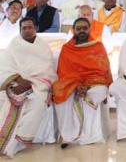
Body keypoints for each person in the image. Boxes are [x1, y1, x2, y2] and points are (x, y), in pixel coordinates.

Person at [0, 17, 57, 157]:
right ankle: (5, 139)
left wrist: (30, 83)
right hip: (15, 83)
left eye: (29, 27)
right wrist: (18, 80)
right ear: (20, 30)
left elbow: (47, 70)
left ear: (35, 28)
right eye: (23, 28)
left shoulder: (43, 46)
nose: (27, 30)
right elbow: (5, 65)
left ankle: (19, 141)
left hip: (38, 85)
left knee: (38, 104)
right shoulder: (15, 43)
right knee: (6, 100)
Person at [53, 18, 113, 147]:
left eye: (84, 28)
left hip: (96, 82)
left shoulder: (97, 46)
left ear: (89, 29)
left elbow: (104, 70)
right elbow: (64, 72)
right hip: (73, 83)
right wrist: (77, 85)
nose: (81, 31)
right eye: (78, 28)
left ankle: (88, 136)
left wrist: (89, 85)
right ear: (73, 30)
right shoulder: (67, 48)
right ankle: (68, 135)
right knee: (59, 94)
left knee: (95, 93)